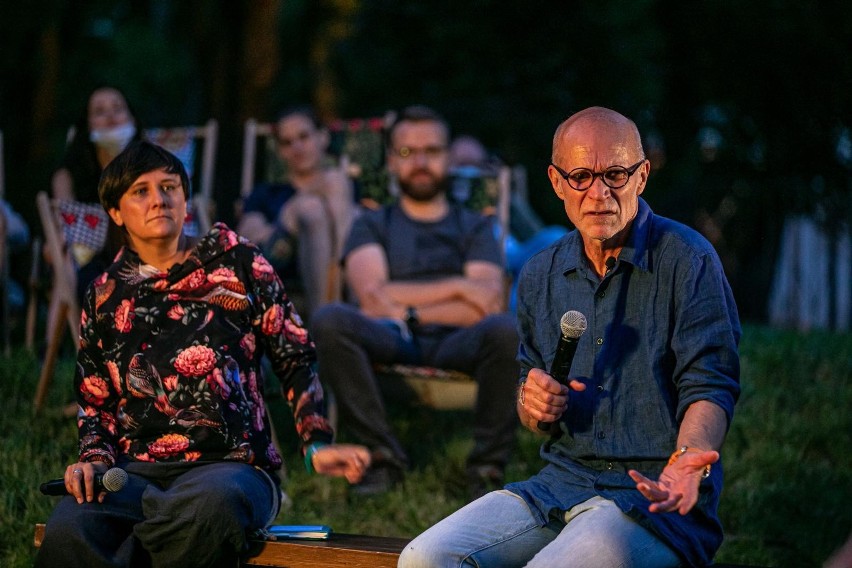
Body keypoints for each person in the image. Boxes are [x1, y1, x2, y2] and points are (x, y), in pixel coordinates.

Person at [399, 107, 741, 568]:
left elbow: (711, 385)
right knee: (423, 558)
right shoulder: (540, 272)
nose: (599, 193)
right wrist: (532, 403)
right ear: (557, 183)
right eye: (580, 176)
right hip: (559, 486)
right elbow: (531, 403)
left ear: (642, 177)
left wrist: (688, 459)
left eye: (615, 174)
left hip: (656, 501)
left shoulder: (689, 260)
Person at [35, 140, 370, 568]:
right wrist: (94, 461)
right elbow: (95, 400)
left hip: (231, 469)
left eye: (169, 186)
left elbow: (294, 356)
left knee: (209, 512)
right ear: (116, 213)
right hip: (134, 472)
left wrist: (315, 442)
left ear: (184, 198)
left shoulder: (240, 262)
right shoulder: (104, 293)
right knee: (70, 525)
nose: (158, 199)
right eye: (140, 190)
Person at [310, 105, 520, 498]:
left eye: (432, 151)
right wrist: (460, 287)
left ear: (448, 157)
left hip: (456, 341)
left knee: (505, 330)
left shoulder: (474, 225)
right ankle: (384, 456)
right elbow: (372, 299)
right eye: (408, 152)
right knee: (330, 320)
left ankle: (486, 470)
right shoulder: (371, 223)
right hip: (391, 335)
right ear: (391, 160)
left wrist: (406, 306)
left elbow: (489, 303)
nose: (420, 162)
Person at [237, 106, 357, 323]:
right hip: (281, 277)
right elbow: (247, 240)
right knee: (312, 208)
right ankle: (330, 320)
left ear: (323, 138)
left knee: (337, 184)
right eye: (287, 142)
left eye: (304, 137)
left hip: (347, 272)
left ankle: (334, 310)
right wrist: (291, 212)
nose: (297, 147)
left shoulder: (348, 189)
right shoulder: (267, 193)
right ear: (280, 151)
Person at [448, 135, 568, 312]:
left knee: (555, 237)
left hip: (511, 251)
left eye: (475, 164)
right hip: (475, 254)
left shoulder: (499, 198)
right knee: (509, 282)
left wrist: (504, 194)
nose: (469, 171)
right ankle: (518, 316)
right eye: (461, 164)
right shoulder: (441, 197)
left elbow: (534, 231)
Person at [50, 85, 144, 301]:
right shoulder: (68, 175)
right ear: (88, 123)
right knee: (65, 253)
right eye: (100, 111)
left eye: (118, 109)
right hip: (88, 260)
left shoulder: (153, 168)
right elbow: (65, 223)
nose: (111, 116)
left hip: (146, 256)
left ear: (132, 118)